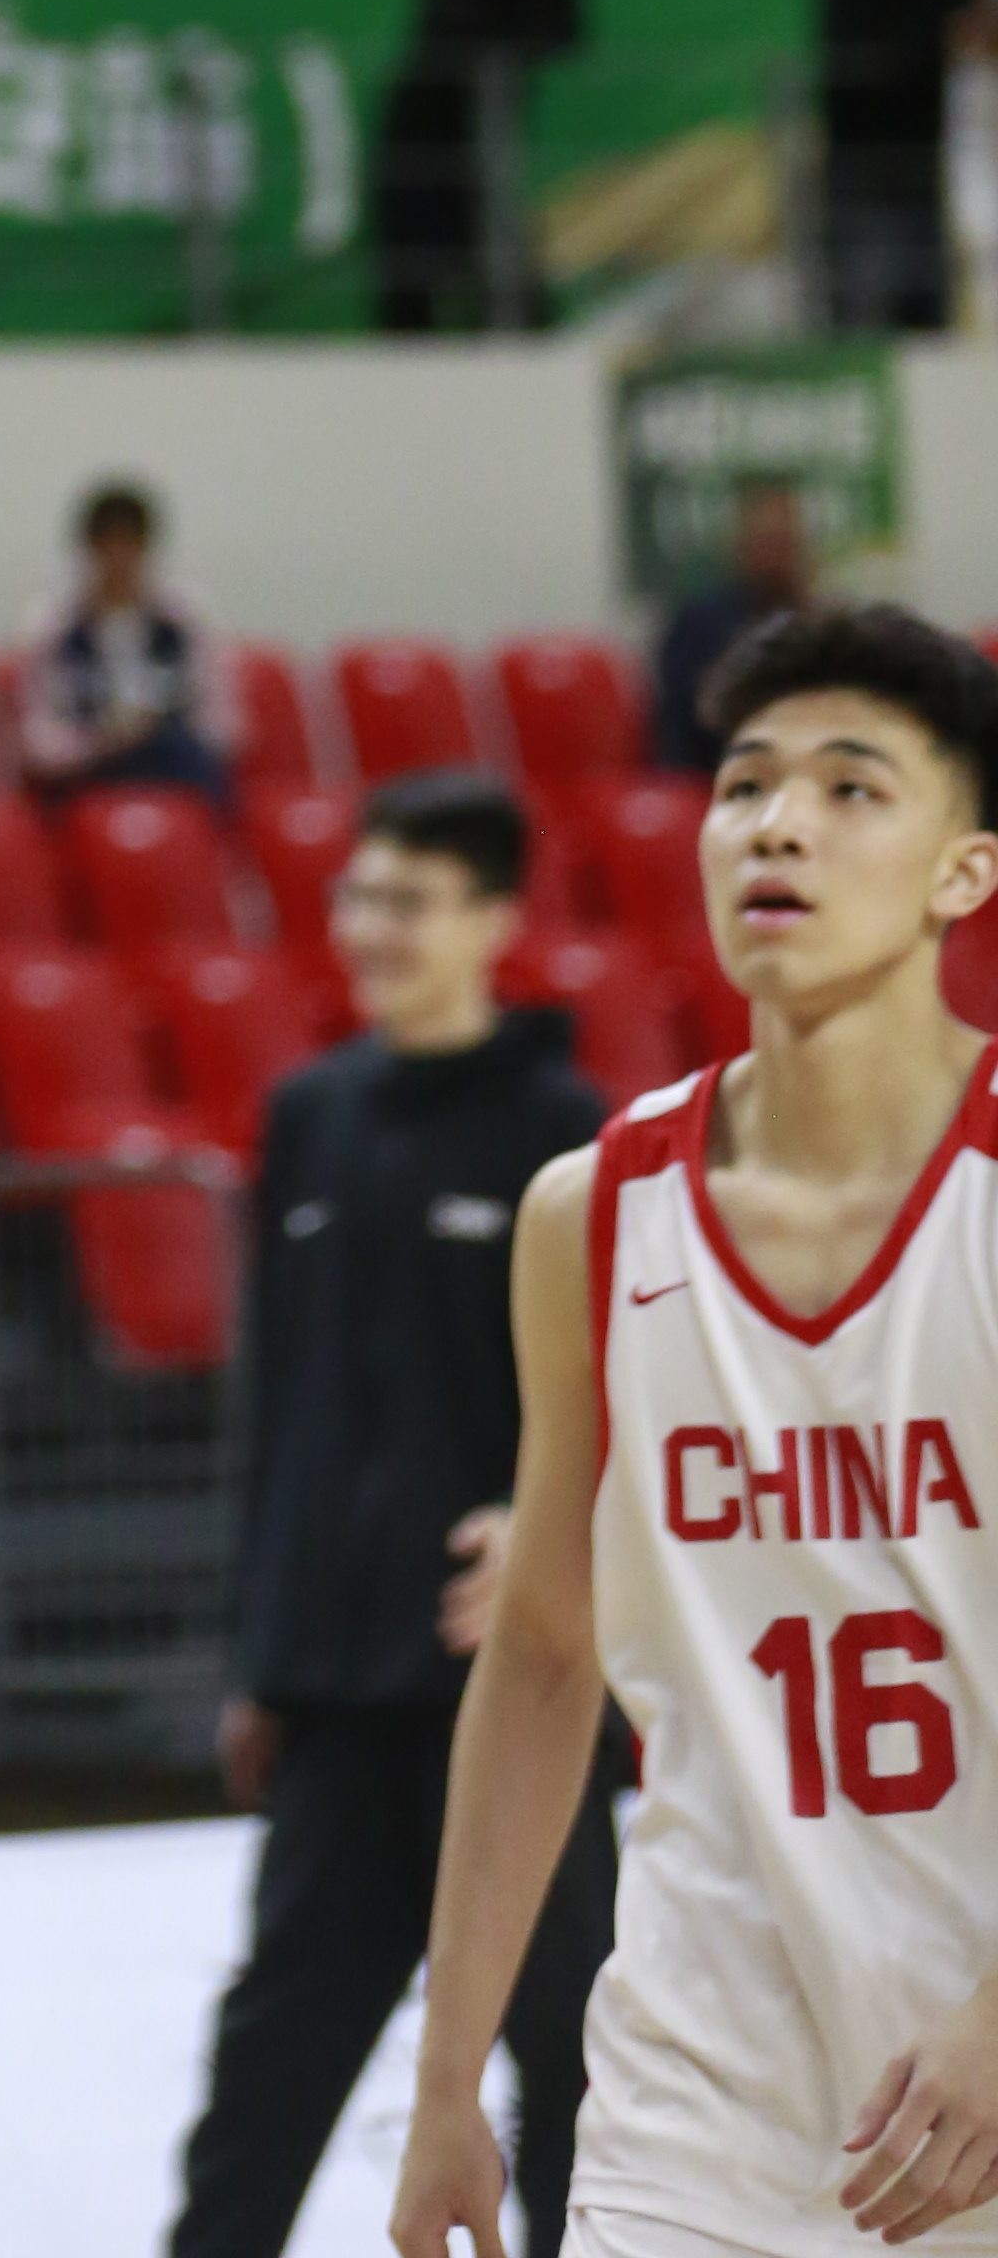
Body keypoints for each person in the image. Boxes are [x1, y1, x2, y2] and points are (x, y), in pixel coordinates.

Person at [393, 604, 998, 2258]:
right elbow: (540, 1654)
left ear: (965, 871)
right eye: (746, 786)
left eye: (852, 788)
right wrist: (448, 2082)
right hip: (699, 2095)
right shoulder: (588, 1217)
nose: (780, 825)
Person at [173, 775, 610, 2258]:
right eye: (359, 896)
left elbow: (617, 1397)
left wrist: (548, 1532)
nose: (372, 927)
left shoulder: (561, 1129)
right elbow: (280, 1406)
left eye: (410, 901)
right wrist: (257, 1653)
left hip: (513, 1681)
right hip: (336, 1691)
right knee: (268, 2063)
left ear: (495, 921)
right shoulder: (308, 1116)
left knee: (567, 2057)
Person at [371, 0, 585, 335]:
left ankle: (523, 360)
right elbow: (459, 37)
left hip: (493, 145)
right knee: (416, 272)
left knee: (512, 273)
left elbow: (565, 35)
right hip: (429, 140)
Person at [818, 0, 988, 339]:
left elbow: (978, 24)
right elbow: (863, 57)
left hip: (922, 171)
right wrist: (942, 44)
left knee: (928, 324)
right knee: (861, 322)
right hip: (861, 174)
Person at [10, 482, 240, 809]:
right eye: (108, 544)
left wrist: (158, 727)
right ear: (89, 550)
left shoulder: (184, 621)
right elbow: (38, 741)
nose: (119, 558)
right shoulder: (51, 628)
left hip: (173, 765)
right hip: (88, 775)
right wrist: (101, 740)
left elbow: (223, 725)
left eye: (130, 544)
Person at [652, 470, 817, 779]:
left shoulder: (821, 627)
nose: (776, 553)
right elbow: (676, 733)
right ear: (740, 544)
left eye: (785, 540)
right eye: (766, 540)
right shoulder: (697, 625)